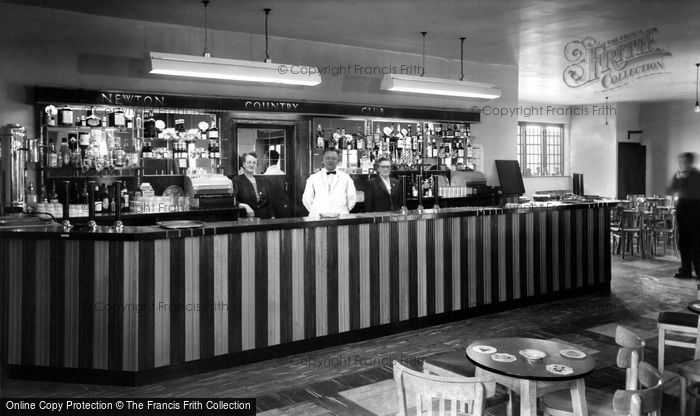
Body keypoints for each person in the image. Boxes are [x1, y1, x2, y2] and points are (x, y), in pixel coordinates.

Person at [667, 152, 700, 279]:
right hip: (682, 206)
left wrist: (682, 180)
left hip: (695, 207)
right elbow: (671, 190)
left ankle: (698, 270)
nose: (682, 164)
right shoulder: (678, 175)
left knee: (696, 241)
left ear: (690, 162)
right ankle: (685, 270)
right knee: (683, 241)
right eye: (681, 162)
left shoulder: (696, 175)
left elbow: (693, 190)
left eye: (685, 161)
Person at [302, 148, 356, 216]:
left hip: (341, 217)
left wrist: (343, 211)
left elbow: (352, 198)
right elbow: (306, 199)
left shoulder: (346, 178)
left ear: (338, 161)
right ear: (323, 160)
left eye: (334, 158)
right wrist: (315, 212)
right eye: (327, 158)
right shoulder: (313, 178)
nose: (330, 160)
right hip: (317, 218)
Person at [232, 152, 274, 219]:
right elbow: (233, 200)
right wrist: (245, 206)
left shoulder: (262, 180)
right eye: (249, 162)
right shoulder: (237, 180)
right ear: (243, 164)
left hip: (264, 218)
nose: (252, 165)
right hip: (246, 218)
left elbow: (268, 202)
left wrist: (272, 216)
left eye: (254, 163)